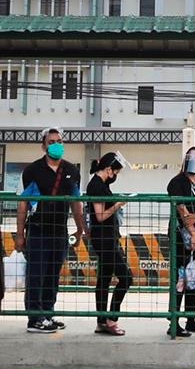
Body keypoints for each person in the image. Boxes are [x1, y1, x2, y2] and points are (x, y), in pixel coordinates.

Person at [16, 127, 88, 333]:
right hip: (38, 231)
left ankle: (47, 313)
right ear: (43, 145)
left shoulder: (71, 171)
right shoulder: (32, 171)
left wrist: (80, 228)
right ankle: (34, 319)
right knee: (36, 275)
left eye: (59, 141)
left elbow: (76, 203)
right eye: (51, 141)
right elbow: (23, 204)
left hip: (60, 232)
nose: (56, 145)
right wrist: (20, 236)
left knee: (52, 276)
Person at [167, 146, 195, 338]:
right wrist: (192, 230)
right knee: (180, 278)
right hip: (181, 237)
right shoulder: (177, 182)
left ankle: (191, 318)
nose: (194, 161)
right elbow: (182, 213)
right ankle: (174, 321)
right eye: (191, 157)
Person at [87, 152, 132, 335]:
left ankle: (101, 321)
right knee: (126, 277)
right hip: (104, 240)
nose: (116, 176)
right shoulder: (96, 186)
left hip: (107, 237)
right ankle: (111, 318)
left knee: (104, 280)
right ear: (108, 169)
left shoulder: (101, 185)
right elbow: (100, 216)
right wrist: (118, 204)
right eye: (116, 172)